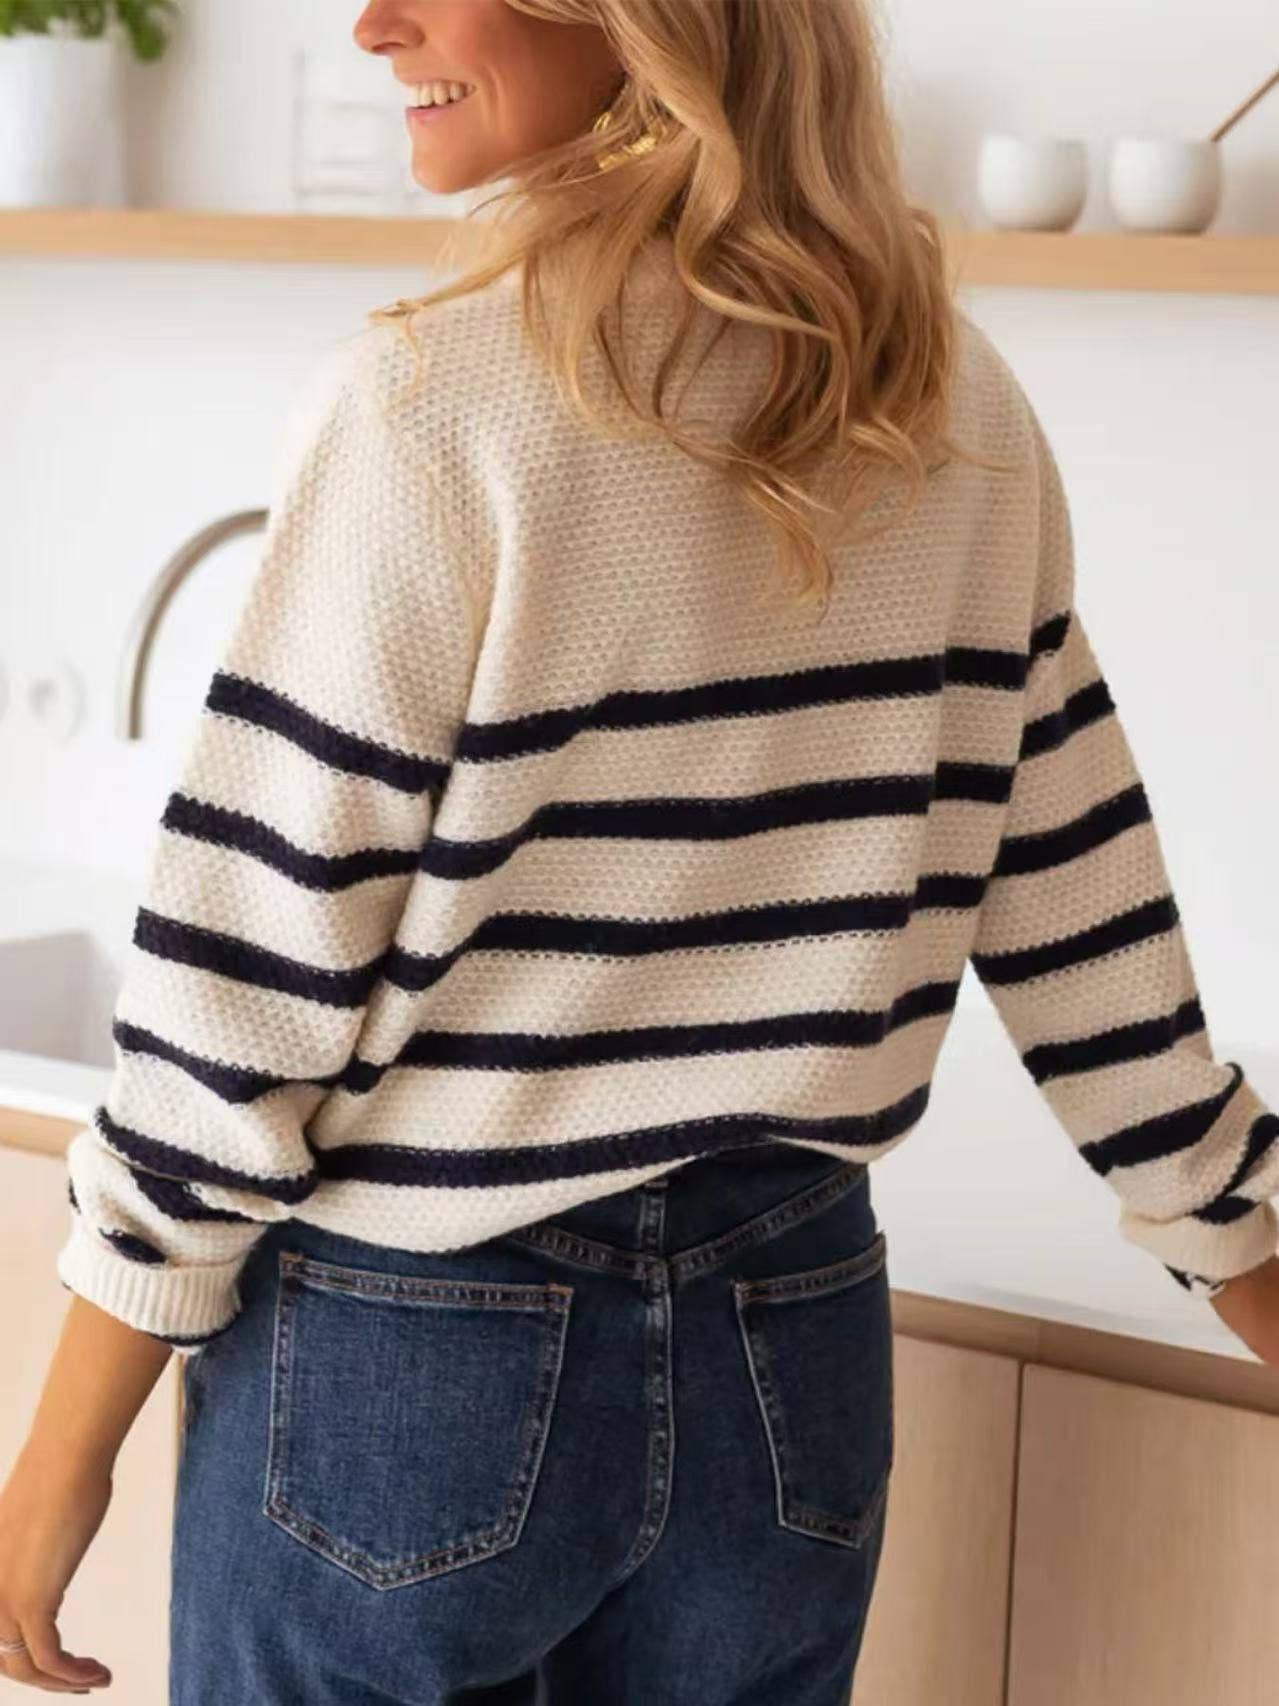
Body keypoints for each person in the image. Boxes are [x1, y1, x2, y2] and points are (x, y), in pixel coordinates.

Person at [3, 0, 1278, 1699]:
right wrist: (1245, 1254)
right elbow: (1087, 931)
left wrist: (61, 1450)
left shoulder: (431, 403)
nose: (374, 25)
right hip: (793, 1360)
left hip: (416, 1360)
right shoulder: (952, 399)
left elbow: (242, 992)